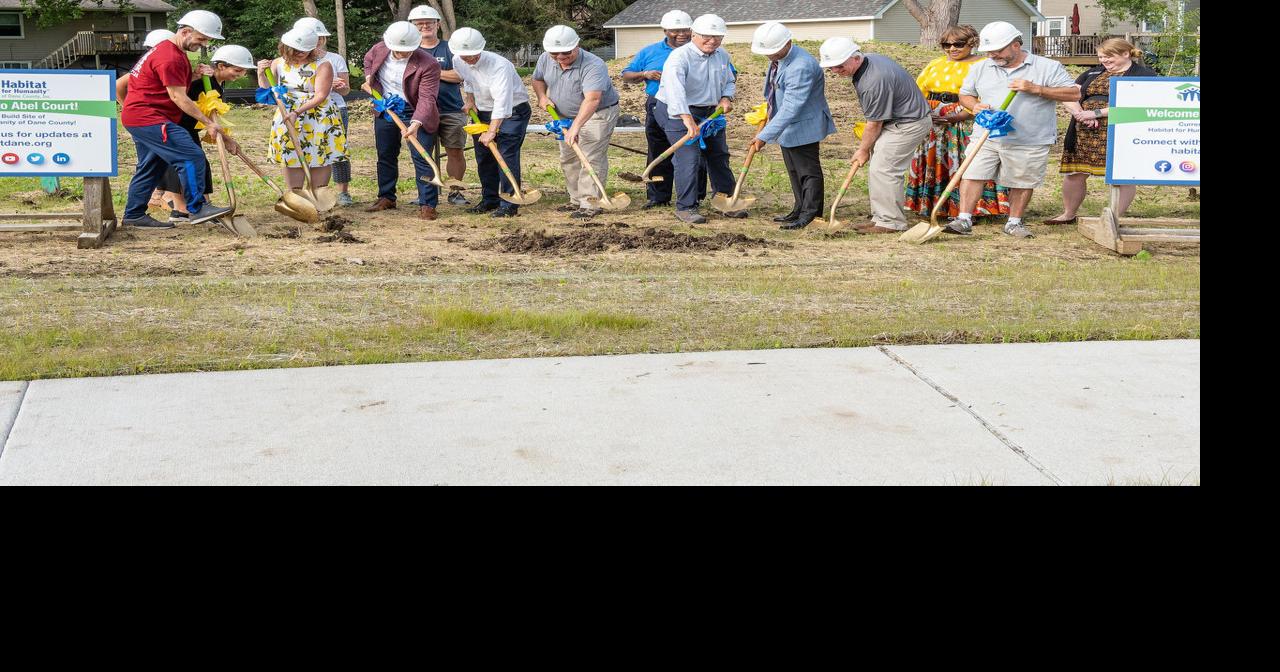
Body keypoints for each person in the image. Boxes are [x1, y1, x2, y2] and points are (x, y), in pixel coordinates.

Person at [948, 21, 1079, 238]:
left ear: (1016, 45)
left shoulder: (1047, 66)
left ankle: (1014, 223)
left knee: (1022, 179)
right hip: (987, 134)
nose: (992, 55)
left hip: (1029, 138)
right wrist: (975, 106)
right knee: (972, 174)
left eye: (998, 50)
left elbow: (1073, 94)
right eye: (989, 51)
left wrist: (1037, 89)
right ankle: (963, 219)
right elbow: (965, 95)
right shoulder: (981, 67)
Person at [120, 10, 233, 229]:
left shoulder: (169, 51)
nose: (203, 44)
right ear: (185, 31)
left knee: (151, 166)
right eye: (201, 39)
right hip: (150, 117)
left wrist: (194, 76)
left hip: (140, 116)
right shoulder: (169, 56)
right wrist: (209, 122)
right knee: (191, 156)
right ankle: (197, 207)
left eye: (206, 40)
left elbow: (167, 83)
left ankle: (133, 215)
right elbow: (177, 96)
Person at [820, 37, 931, 234]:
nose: (835, 71)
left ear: (855, 58)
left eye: (839, 65)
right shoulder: (868, 61)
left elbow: (874, 123)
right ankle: (881, 217)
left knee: (885, 170)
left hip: (908, 124)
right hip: (898, 120)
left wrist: (863, 150)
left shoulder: (874, 80)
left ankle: (891, 222)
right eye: (831, 68)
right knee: (879, 168)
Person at [1048, 38, 1158, 225]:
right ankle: (1068, 213)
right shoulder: (1093, 72)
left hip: (1120, 131)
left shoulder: (1143, 74)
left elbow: (1139, 106)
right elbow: (1069, 94)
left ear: (1125, 54)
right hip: (1083, 131)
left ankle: (1113, 218)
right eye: (1101, 57)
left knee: (1122, 175)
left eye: (1109, 57)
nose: (1104, 61)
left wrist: (1097, 113)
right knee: (1074, 173)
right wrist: (1080, 113)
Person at [904, 25, 1008, 220]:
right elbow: (918, 91)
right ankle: (938, 206)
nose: (952, 48)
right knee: (937, 163)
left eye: (958, 44)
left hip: (966, 121)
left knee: (967, 163)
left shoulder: (984, 64)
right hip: (934, 122)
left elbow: (990, 94)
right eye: (946, 44)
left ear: (972, 43)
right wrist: (925, 112)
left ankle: (968, 210)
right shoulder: (935, 64)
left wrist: (964, 113)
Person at [749, 22, 835, 230]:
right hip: (787, 125)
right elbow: (773, 87)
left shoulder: (801, 66)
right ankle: (799, 208)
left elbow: (792, 106)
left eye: (773, 51)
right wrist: (766, 110)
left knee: (808, 171)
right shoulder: (779, 57)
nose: (770, 56)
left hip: (803, 124)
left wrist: (764, 136)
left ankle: (811, 214)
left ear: (787, 42)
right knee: (794, 170)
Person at [157, 45, 257, 224]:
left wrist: (226, 139)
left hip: (191, 128)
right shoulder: (203, 81)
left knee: (201, 164)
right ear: (221, 66)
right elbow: (180, 99)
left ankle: (206, 205)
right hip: (176, 126)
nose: (240, 75)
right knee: (182, 165)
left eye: (243, 71)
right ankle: (180, 210)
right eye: (237, 70)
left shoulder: (216, 83)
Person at [654, 13, 737, 224]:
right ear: (694, 35)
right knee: (688, 157)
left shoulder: (722, 55)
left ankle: (725, 200)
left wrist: (726, 97)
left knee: (719, 154)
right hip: (675, 111)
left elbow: (729, 80)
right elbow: (675, 91)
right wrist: (687, 119)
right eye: (706, 37)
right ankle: (686, 207)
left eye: (717, 37)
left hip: (710, 112)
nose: (712, 41)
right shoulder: (679, 57)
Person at [533, 25, 621, 219]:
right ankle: (576, 199)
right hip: (563, 116)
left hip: (597, 113)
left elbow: (592, 99)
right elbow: (538, 79)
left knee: (589, 157)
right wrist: (541, 97)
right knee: (568, 157)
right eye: (555, 54)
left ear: (577, 45)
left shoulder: (593, 65)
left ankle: (590, 203)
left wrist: (576, 127)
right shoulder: (545, 59)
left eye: (566, 53)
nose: (560, 58)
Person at [621, 10, 706, 210]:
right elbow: (626, 74)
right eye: (675, 30)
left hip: (692, 106)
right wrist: (645, 73)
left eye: (685, 29)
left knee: (693, 151)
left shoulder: (701, 51)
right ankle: (658, 196)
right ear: (665, 30)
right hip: (657, 104)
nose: (681, 34)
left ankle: (696, 195)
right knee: (658, 149)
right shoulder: (650, 52)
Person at [257, 26, 348, 212]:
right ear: (285, 47)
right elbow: (267, 89)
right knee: (291, 154)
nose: (300, 54)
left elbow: (321, 95)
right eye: (295, 50)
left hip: (318, 116)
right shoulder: (278, 63)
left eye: (304, 51)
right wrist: (261, 73)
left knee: (319, 154)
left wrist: (297, 112)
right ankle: (295, 195)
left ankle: (317, 194)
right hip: (286, 112)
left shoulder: (324, 64)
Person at [360, 21, 442, 219]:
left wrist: (415, 123)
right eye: (398, 50)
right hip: (385, 107)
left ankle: (428, 204)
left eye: (407, 50)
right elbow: (368, 61)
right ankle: (387, 197)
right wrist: (370, 78)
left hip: (415, 110)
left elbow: (427, 98)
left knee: (422, 157)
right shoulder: (379, 49)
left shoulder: (428, 64)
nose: (403, 53)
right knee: (386, 154)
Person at [450, 27, 532, 218]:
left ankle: (510, 203)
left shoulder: (499, 66)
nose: (468, 58)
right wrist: (470, 100)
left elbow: (502, 102)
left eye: (472, 54)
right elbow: (468, 80)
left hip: (513, 112)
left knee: (505, 155)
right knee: (484, 156)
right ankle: (490, 199)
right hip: (483, 111)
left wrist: (492, 131)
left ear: (481, 48)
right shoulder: (458, 60)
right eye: (464, 55)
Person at [409, 5, 471, 207]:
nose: (424, 26)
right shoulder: (410, 51)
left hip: (451, 109)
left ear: (437, 24)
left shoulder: (450, 49)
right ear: (413, 26)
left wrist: (429, 72)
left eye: (429, 22)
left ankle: (455, 192)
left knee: (455, 151)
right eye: (419, 24)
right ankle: (426, 195)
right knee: (423, 154)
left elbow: (461, 75)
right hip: (420, 112)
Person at [115, 28, 180, 217]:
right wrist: (129, 106)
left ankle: (142, 207)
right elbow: (118, 84)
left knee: (152, 163)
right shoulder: (152, 63)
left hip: (151, 121)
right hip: (147, 122)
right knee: (151, 163)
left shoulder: (161, 62)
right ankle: (139, 209)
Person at [295, 17, 354, 206]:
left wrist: (338, 86)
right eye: (314, 37)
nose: (318, 41)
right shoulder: (295, 60)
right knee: (305, 149)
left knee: (336, 149)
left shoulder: (335, 59)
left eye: (321, 37)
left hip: (335, 108)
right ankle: (308, 190)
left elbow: (346, 90)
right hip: (304, 109)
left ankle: (343, 191)